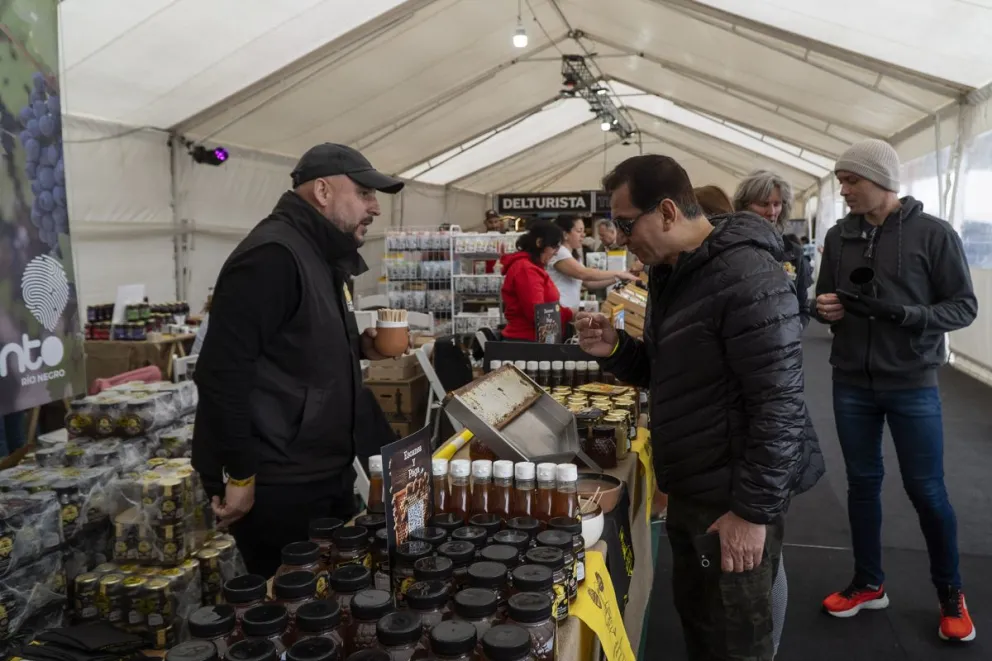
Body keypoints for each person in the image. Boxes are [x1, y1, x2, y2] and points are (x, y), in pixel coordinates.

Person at [576, 154, 821, 660]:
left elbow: (780, 407)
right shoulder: (675, 271)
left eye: (627, 224)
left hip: (731, 497)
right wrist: (617, 350)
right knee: (704, 627)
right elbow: (675, 372)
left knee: (735, 640)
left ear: (667, 211)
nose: (621, 238)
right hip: (696, 486)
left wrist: (749, 514)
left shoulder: (747, 275)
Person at [192, 143, 404, 577]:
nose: (375, 208)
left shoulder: (321, 252)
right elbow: (222, 374)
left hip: (322, 469)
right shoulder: (272, 256)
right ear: (323, 191)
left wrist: (359, 347)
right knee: (286, 603)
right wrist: (241, 475)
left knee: (330, 596)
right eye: (364, 193)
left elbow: (296, 342)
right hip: (279, 482)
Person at [815, 139, 978, 642]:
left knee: (927, 489)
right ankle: (869, 583)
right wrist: (826, 309)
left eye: (851, 181)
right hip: (851, 380)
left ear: (881, 180)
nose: (844, 191)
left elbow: (963, 306)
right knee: (862, 484)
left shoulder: (935, 234)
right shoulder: (838, 236)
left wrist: (908, 315)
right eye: (840, 182)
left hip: (912, 381)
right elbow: (823, 299)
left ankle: (950, 592)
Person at [734, 170, 813, 328]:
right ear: (744, 206)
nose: (771, 212)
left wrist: (793, 330)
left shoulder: (793, 252)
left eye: (777, 204)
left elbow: (802, 307)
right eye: (763, 204)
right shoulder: (732, 248)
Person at [500, 221, 574, 341]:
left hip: (534, 338)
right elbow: (538, 312)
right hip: (527, 341)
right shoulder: (526, 269)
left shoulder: (531, 267)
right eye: (554, 247)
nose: (556, 252)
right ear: (539, 243)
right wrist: (570, 314)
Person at [549, 216, 637, 310]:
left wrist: (618, 278)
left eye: (583, 231)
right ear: (565, 234)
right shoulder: (559, 252)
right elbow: (583, 273)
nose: (583, 235)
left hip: (569, 311)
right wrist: (619, 273)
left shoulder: (573, 256)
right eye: (579, 231)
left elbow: (589, 283)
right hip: (558, 310)